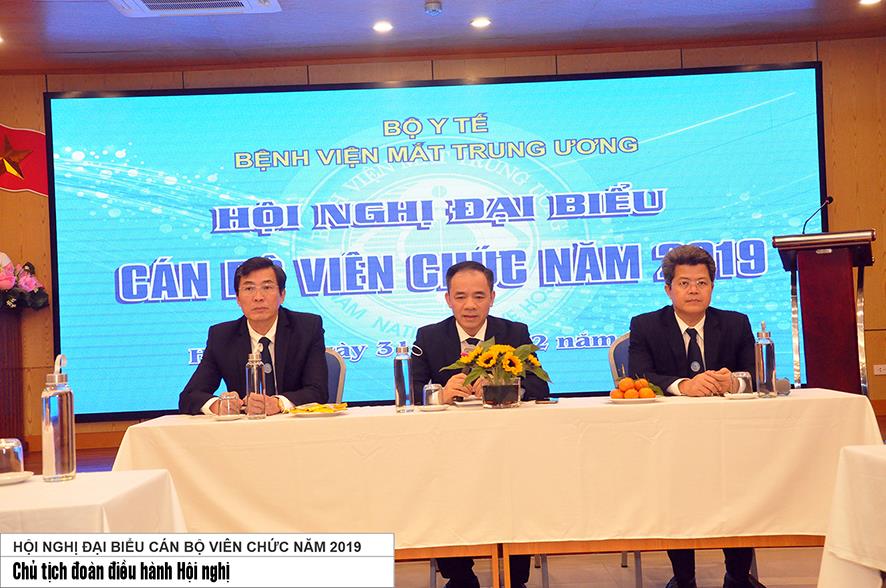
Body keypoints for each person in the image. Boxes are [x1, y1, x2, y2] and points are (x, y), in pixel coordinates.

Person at [411, 260, 549, 588]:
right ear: (448, 299)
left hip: (507, 449)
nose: (470, 305)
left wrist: (504, 386)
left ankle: (515, 577)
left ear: (492, 297)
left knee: (519, 490)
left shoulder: (515, 333)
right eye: (460, 297)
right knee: (439, 490)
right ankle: (460, 576)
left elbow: (540, 386)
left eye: (478, 296)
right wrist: (440, 394)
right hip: (449, 452)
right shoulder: (429, 336)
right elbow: (411, 391)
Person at [628, 245, 761, 588]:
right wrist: (683, 386)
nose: (693, 291)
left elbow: (756, 374)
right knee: (677, 492)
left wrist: (734, 382)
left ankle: (737, 576)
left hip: (730, 440)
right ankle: (683, 578)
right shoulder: (646, 325)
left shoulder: (734, 323)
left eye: (701, 283)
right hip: (670, 441)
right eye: (684, 283)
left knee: (739, 488)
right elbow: (639, 376)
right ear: (668, 289)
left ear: (712, 287)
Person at [179, 256, 327, 416]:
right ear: (237, 298)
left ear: (282, 294)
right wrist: (218, 405)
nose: (258, 297)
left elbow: (318, 392)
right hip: (245, 428)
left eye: (267, 287)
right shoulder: (222, 336)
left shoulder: (307, 328)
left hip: (296, 427)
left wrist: (278, 403)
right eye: (249, 289)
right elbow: (189, 396)